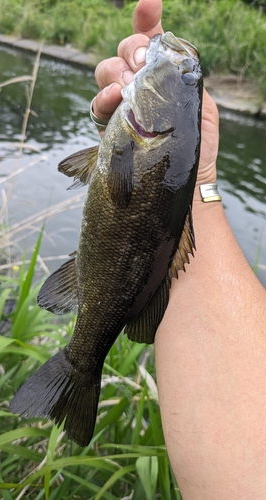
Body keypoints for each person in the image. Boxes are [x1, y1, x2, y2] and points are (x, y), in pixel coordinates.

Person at [93, 1, 266, 498]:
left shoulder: (146, 131)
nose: (181, 72)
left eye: (186, 82)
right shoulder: (146, 130)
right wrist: (202, 181)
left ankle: (82, 363)